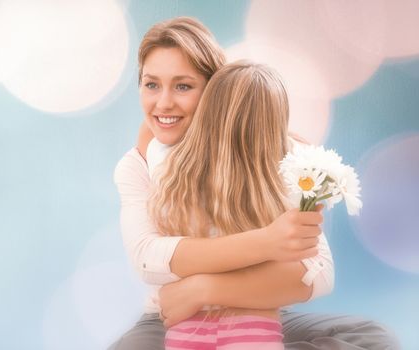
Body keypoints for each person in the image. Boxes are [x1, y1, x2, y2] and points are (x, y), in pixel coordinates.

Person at [109, 16, 400, 350]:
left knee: (371, 337)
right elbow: (148, 258)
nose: (163, 104)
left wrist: (203, 288)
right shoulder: (143, 163)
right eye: (151, 84)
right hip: (173, 317)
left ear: (216, 90)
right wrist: (268, 242)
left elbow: (318, 273)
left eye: (183, 86)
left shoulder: (284, 158)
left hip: (258, 311)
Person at [149, 60, 300, 349]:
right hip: (254, 327)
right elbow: (299, 268)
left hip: (187, 326)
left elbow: (152, 143)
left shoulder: (175, 177)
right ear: (274, 126)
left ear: (207, 111)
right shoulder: (281, 189)